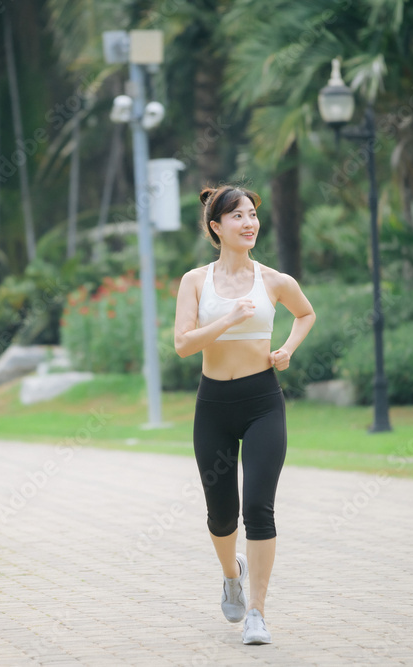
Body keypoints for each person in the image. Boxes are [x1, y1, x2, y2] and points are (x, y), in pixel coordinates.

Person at [173, 184, 315, 645]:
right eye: (238, 216)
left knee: (258, 508)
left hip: (262, 405)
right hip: (213, 406)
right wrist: (228, 320)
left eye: (252, 214)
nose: (249, 223)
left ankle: (257, 611)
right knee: (222, 516)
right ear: (216, 227)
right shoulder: (194, 281)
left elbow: (305, 314)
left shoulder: (274, 280)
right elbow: (183, 344)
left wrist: (287, 349)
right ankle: (229, 575)